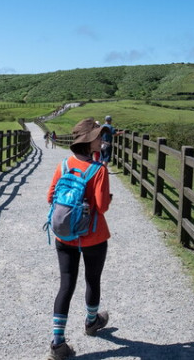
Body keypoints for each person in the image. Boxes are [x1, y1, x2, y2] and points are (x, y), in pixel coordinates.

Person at [46, 117, 112, 359]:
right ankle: (92, 322)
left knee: (66, 284)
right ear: (90, 141)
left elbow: (50, 197)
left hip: (65, 236)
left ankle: (57, 343)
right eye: (98, 136)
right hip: (93, 235)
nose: (101, 139)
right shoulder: (99, 171)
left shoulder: (64, 165)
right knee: (92, 279)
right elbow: (102, 207)